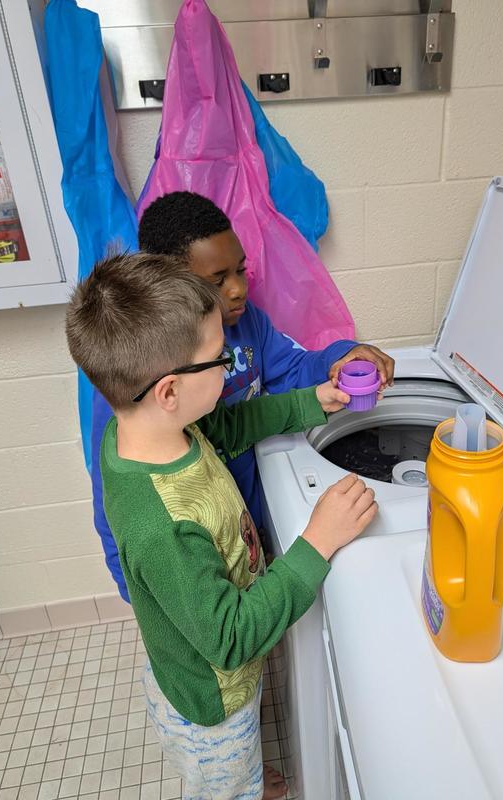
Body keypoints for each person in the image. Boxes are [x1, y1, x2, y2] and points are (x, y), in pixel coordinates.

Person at [66, 252, 378, 800]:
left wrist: (311, 401)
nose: (230, 366)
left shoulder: (147, 431)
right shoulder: (162, 526)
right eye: (219, 359)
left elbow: (232, 425)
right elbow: (230, 639)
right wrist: (318, 541)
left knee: (239, 769)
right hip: (213, 705)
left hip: (201, 663)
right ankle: (237, 784)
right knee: (223, 783)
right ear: (169, 391)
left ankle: (244, 778)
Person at [91, 191, 394, 602]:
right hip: (195, 555)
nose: (237, 289)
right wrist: (138, 589)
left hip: (243, 526)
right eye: (217, 280)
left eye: (241, 270)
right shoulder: (132, 386)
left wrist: (338, 360)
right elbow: (114, 499)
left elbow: (244, 412)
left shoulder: (246, 324)